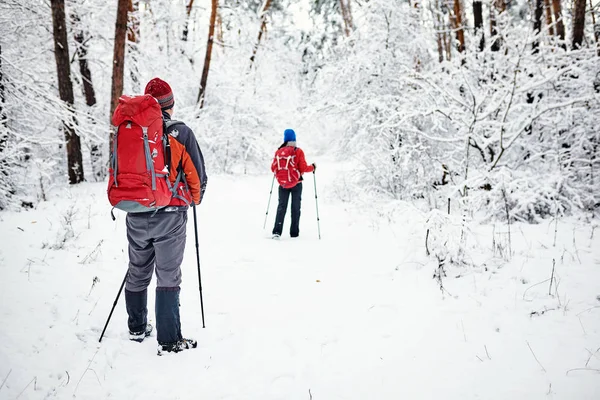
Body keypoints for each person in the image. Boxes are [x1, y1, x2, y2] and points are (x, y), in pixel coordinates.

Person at [124, 77, 208, 354]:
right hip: (170, 215)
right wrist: (194, 199)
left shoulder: (131, 130)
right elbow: (197, 173)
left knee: (138, 270)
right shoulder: (180, 133)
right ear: (170, 105)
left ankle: (136, 327)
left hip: (136, 212)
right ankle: (169, 340)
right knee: (168, 275)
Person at [271, 129, 315, 239]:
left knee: (281, 207)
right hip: (296, 184)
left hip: (283, 185)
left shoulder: (278, 152)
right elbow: (303, 168)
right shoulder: (298, 151)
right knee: (295, 208)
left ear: (285, 139)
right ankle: (294, 233)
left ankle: (277, 231)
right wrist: (313, 167)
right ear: (294, 138)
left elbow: (273, 168)